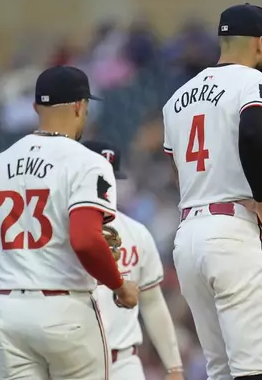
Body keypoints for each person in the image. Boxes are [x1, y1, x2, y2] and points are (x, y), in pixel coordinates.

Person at [163, 3, 262, 380]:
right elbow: (252, 131)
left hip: (189, 235)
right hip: (235, 230)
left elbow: (177, 169)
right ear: (261, 44)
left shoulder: (177, 97)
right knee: (255, 368)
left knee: (220, 369)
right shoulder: (257, 81)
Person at [0, 66, 139, 380]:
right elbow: (85, 240)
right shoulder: (88, 162)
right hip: (65, 310)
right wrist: (119, 285)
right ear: (79, 106)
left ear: (35, 108)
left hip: (8, 310)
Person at [85, 140, 184, 380]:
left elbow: (151, 301)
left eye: (109, 179)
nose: (103, 187)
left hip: (124, 362)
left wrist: (173, 367)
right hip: (75, 363)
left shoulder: (136, 232)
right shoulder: (59, 232)